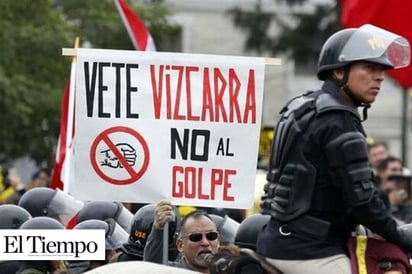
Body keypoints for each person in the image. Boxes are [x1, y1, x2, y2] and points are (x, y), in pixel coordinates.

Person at [257, 24, 412, 274]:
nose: (380, 76)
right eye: (370, 68)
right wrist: (401, 235)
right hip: (311, 250)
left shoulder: (302, 105)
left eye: (381, 70)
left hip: (277, 238)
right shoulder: (339, 121)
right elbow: (362, 203)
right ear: (340, 71)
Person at [144, 200, 219, 273]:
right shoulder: (169, 271)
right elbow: (152, 266)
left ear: (218, 241)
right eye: (196, 237)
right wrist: (158, 229)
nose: (205, 243)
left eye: (211, 236)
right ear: (180, 245)